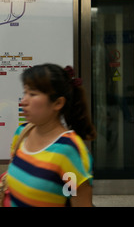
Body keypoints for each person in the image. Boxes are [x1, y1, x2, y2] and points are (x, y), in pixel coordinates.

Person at [6, 63, 96, 207]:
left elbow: (78, 202)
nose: (23, 101)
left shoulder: (68, 152)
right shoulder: (22, 133)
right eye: (25, 92)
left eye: (33, 94)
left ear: (58, 103)